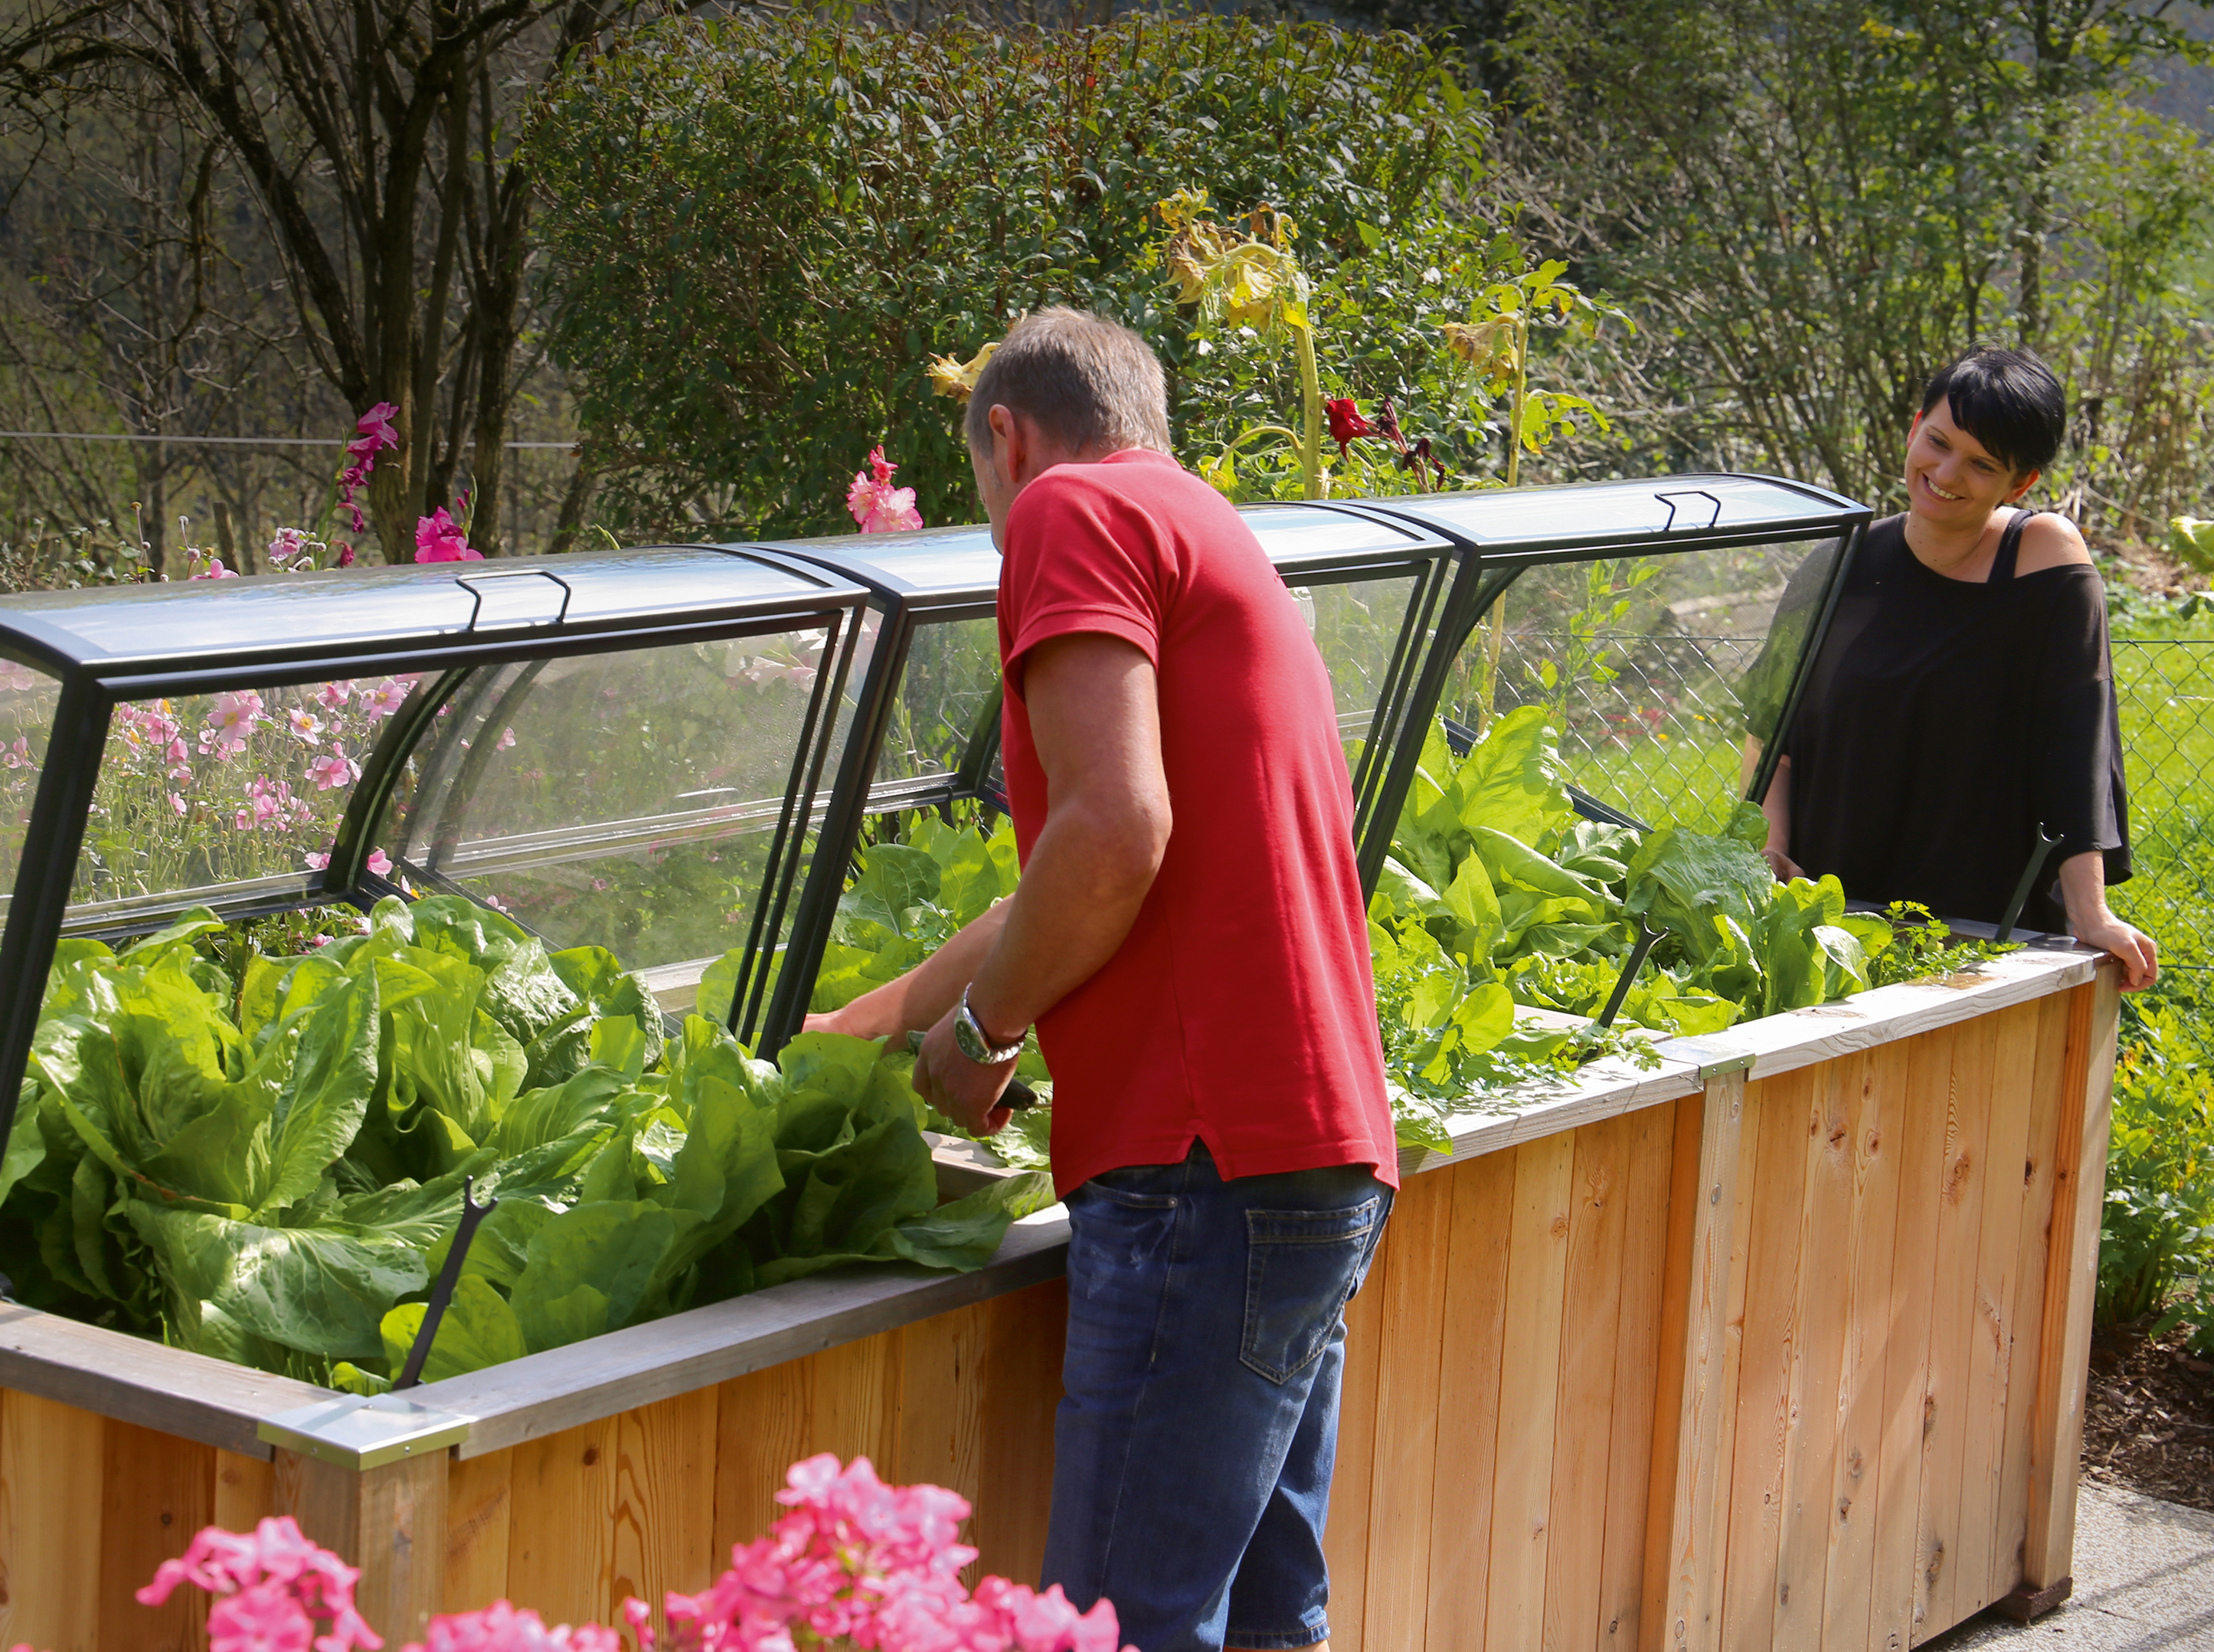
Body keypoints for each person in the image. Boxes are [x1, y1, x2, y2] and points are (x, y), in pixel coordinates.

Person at [806, 306, 1398, 1652]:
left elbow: (1115, 832)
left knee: (1111, 1634)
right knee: (1260, 1618)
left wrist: (984, 1031)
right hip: (1300, 1163)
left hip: (1201, 1168)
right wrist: (850, 1031)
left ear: (1005, 437)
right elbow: (1068, 885)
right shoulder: (1202, 522)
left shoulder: (1071, 511)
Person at [1759, 345, 2157, 989]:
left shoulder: (2041, 557)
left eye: (1981, 464)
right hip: (1833, 927)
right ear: (1914, 426)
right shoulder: (1836, 566)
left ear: (2019, 482)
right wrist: (1770, 854)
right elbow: (1771, 733)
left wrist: (2090, 907)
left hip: (1989, 933)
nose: (1946, 472)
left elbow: (2074, 738)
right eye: (1937, 441)